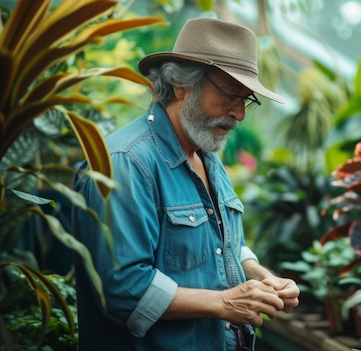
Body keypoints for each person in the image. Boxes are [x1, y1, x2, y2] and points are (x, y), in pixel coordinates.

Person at [72, 17, 300, 351]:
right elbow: (123, 289)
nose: (240, 114)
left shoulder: (206, 154)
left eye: (246, 99)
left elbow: (223, 246)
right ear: (181, 85)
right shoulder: (126, 163)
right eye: (229, 95)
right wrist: (224, 303)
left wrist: (261, 277)